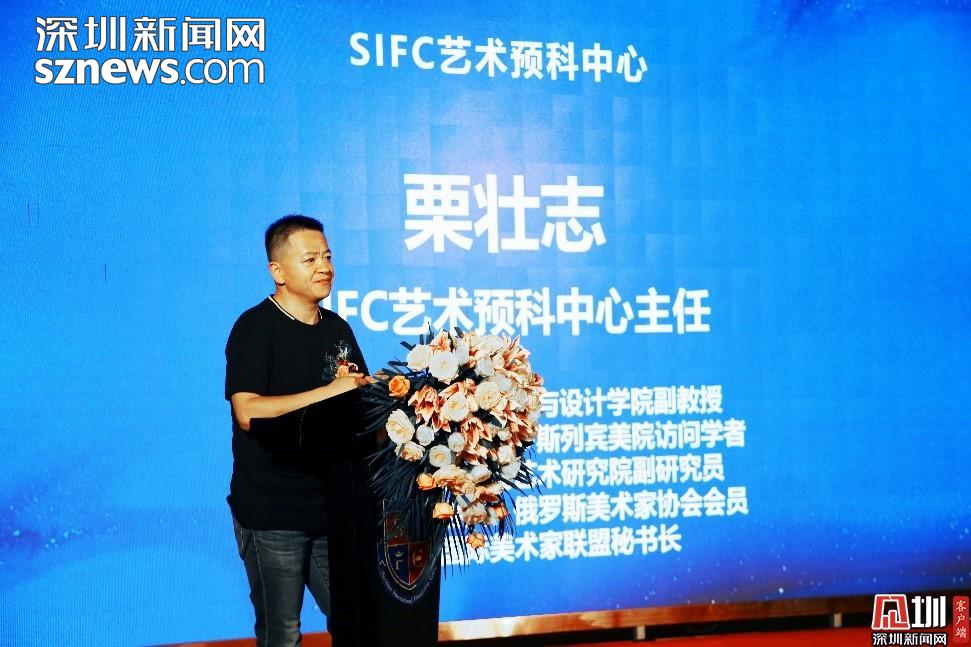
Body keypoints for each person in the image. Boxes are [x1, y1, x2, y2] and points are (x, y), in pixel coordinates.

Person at [224, 214, 371, 646]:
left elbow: (354, 401)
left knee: (357, 620)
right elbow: (248, 411)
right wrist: (328, 392)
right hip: (272, 510)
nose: (324, 267)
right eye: (310, 259)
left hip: (331, 508)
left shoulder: (338, 328)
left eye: (328, 257)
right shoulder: (255, 327)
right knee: (283, 634)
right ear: (278, 271)